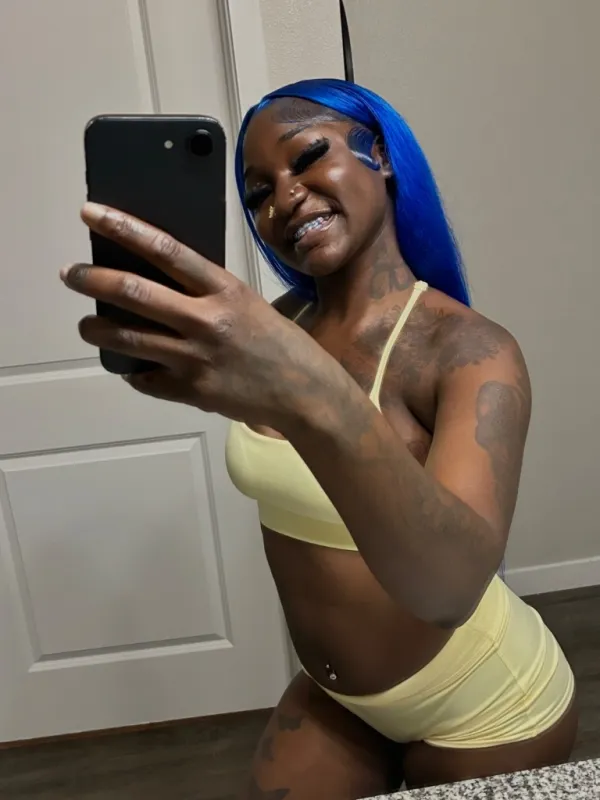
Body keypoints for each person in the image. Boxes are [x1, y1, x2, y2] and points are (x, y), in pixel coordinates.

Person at [61, 78, 577, 797]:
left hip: (484, 703)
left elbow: (451, 589)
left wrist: (313, 394)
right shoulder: (280, 327)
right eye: (258, 193)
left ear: (381, 156)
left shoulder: (470, 350)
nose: (285, 197)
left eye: (307, 157)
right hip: (340, 698)